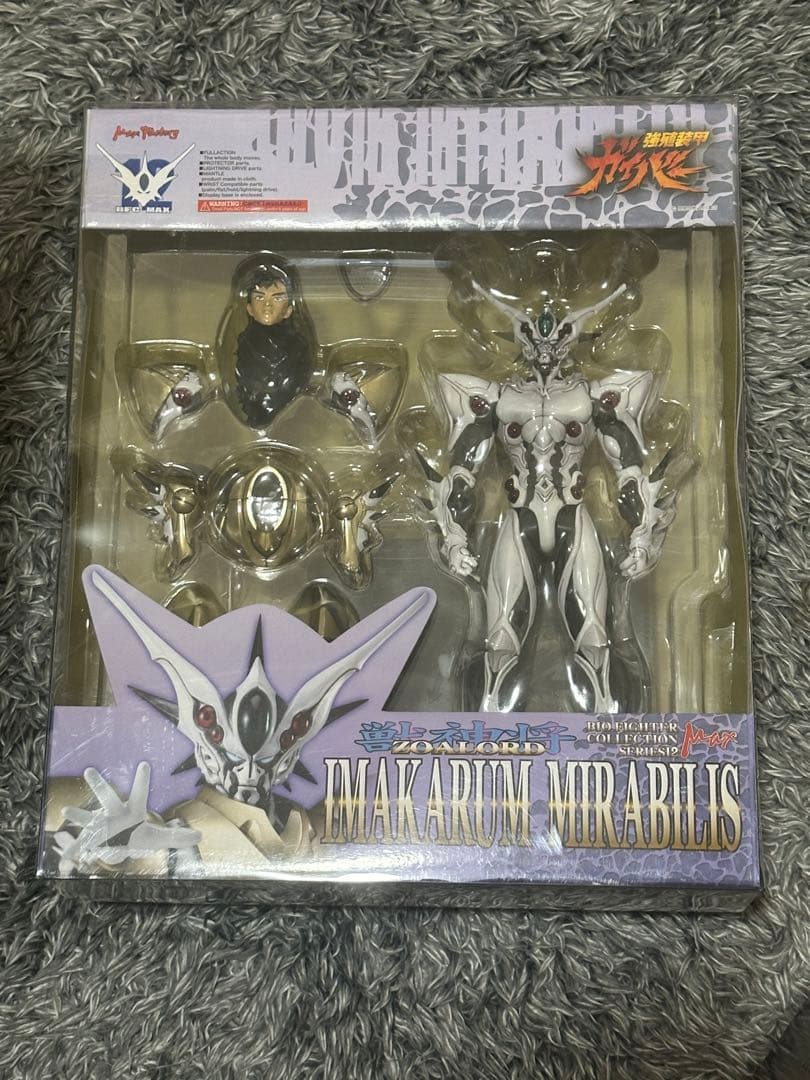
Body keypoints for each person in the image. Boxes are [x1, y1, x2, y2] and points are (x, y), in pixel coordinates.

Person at [233, 268, 313, 429]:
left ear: (288, 310)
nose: (267, 305)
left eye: (277, 298)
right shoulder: (245, 342)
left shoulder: (298, 344)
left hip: (293, 417)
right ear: (249, 308)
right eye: (259, 297)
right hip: (255, 415)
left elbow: (302, 379)